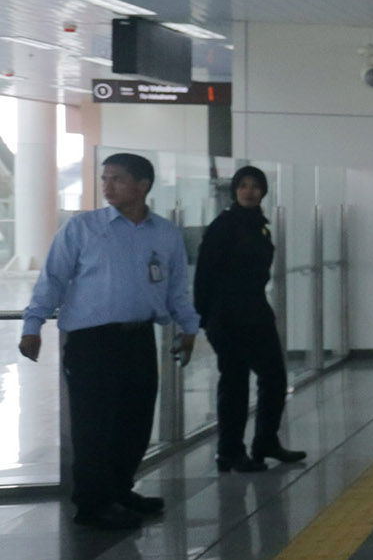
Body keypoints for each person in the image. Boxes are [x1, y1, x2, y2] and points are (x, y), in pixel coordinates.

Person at [19, 153, 200, 529]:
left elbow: (177, 288)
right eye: (104, 179)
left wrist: (188, 328)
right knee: (94, 424)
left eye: (116, 179)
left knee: (134, 421)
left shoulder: (164, 233)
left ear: (142, 185)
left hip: (138, 339)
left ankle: (119, 491)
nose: (107, 186)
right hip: (91, 341)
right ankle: (92, 503)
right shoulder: (82, 228)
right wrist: (33, 323)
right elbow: (52, 279)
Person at [195, 164, 306, 473]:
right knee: (235, 382)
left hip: (255, 312)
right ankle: (229, 451)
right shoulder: (224, 226)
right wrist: (204, 318)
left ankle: (265, 441)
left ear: (263, 192)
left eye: (255, 186)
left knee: (274, 377)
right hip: (227, 317)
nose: (249, 191)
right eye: (243, 186)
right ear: (234, 191)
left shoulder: (260, 225)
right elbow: (205, 274)